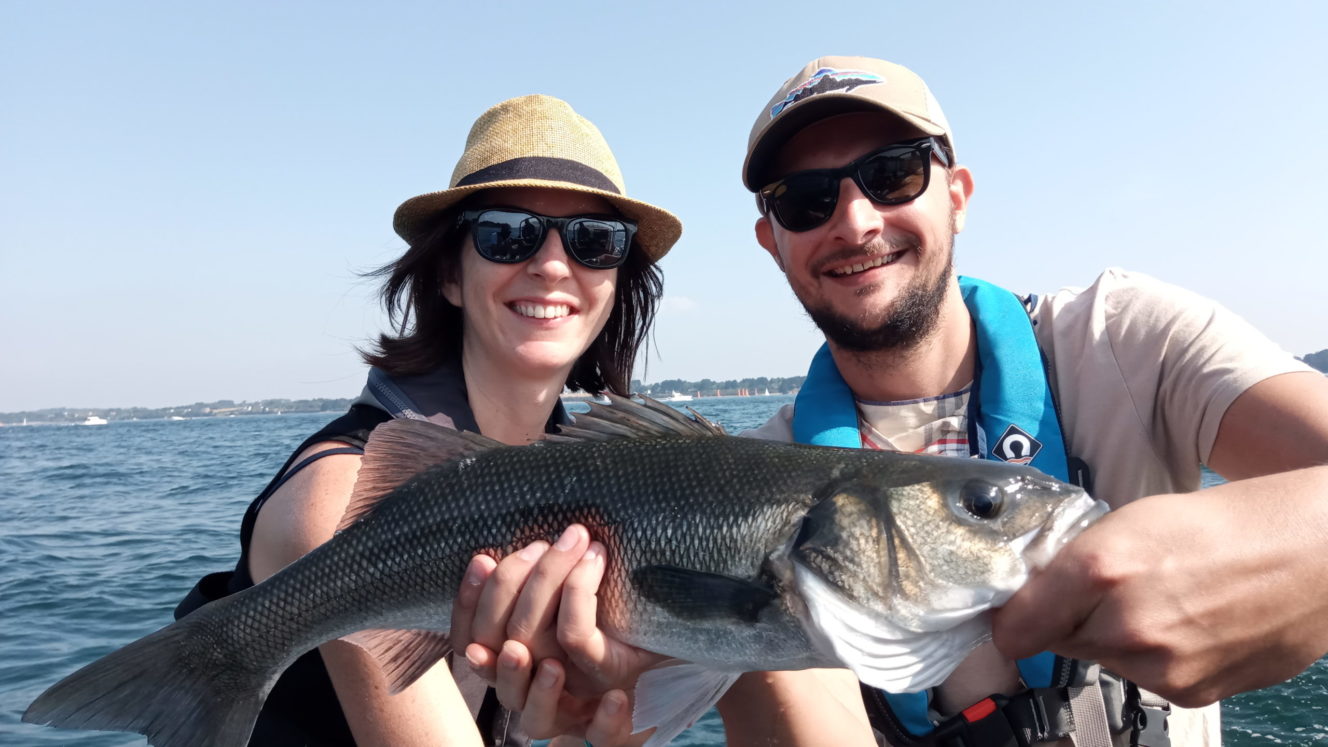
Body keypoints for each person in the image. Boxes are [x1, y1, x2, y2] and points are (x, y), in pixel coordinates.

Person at [451, 56, 1328, 747]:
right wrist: (592, 719)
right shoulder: (753, 481)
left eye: (894, 172)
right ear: (772, 240)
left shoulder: (1127, 337)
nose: (856, 219)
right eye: (805, 199)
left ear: (957, 191)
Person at [173, 93, 682, 746]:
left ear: (614, 282)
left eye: (594, 240)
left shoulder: (592, 491)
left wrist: (587, 726)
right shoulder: (342, 499)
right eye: (507, 233)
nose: (553, 264)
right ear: (447, 271)